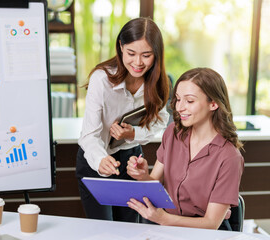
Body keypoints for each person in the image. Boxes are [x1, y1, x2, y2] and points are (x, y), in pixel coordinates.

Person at [76, 17, 170, 222]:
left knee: (130, 228)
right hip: (96, 159)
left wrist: (133, 133)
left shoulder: (158, 83)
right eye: (131, 53)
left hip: (131, 160)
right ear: (120, 47)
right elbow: (89, 135)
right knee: (104, 231)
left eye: (146, 55)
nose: (138, 63)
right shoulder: (101, 79)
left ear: (157, 54)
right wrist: (101, 160)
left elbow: (161, 120)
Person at [126, 67, 244, 229]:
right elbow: (154, 184)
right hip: (165, 227)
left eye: (189, 101)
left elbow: (211, 223)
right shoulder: (173, 133)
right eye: (178, 99)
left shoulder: (229, 157)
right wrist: (143, 176)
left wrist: (164, 219)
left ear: (213, 104)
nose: (180, 107)